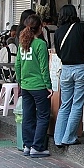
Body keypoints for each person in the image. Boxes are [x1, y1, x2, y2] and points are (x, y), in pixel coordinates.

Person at [53, 4, 84, 148]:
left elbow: (58, 52)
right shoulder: (81, 28)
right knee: (77, 104)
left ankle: (58, 138)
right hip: (81, 69)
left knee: (65, 105)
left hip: (66, 70)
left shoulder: (58, 32)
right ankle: (69, 138)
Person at [14, 15, 52, 158]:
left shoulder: (23, 43)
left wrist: (20, 81)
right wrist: (48, 85)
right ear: (40, 28)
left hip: (26, 85)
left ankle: (27, 145)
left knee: (27, 116)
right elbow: (44, 67)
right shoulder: (40, 44)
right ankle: (38, 147)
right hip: (39, 86)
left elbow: (17, 65)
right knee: (43, 116)